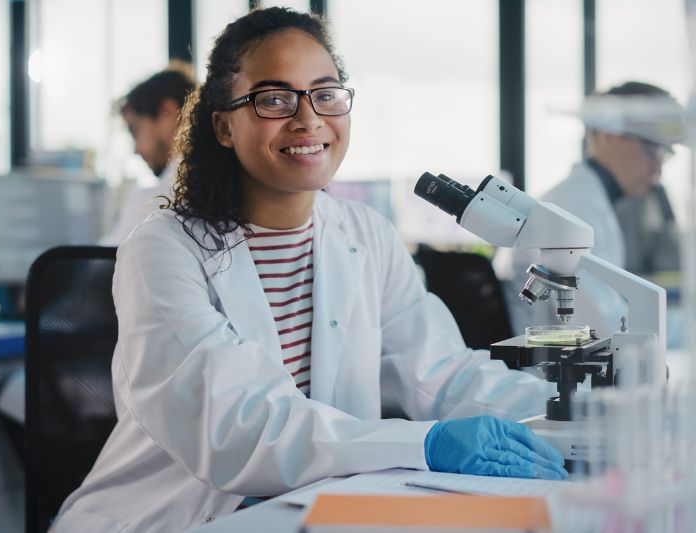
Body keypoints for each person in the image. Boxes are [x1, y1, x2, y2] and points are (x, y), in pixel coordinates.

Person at [52, 8, 565, 532]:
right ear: (224, 125)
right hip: (170, 518)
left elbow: (443, 374)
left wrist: (570, 414)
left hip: (316, 511)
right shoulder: (163, 248)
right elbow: (240, 428)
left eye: (325, 93)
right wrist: (426, 443)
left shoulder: (366, 235)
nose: (308, 119)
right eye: (274, 99)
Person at [495, 81, 685, 339]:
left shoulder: (586, 201)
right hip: (553, 372)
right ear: (606, 132)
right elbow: (605, 328)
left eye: (666, 152)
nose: (658, 166)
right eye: (650, 147)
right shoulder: (573, 207)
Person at [100, 64, 196, 245]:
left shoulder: (158, 202)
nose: (136, 150)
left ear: (168, 112)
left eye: (135, 130)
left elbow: (97, 265)